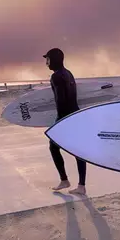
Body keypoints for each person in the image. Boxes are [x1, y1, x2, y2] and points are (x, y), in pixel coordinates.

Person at [43, 47, 87, 195]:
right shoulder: (68, 73)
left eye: (47, 59)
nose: (46, 63)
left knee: (53, 147)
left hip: (66, 117)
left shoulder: (56, 76)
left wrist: (59, 122)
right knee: (77, 150)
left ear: (53, 60)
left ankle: (64, 180)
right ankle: (81, 185)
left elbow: (61, 99)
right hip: (75, 114)